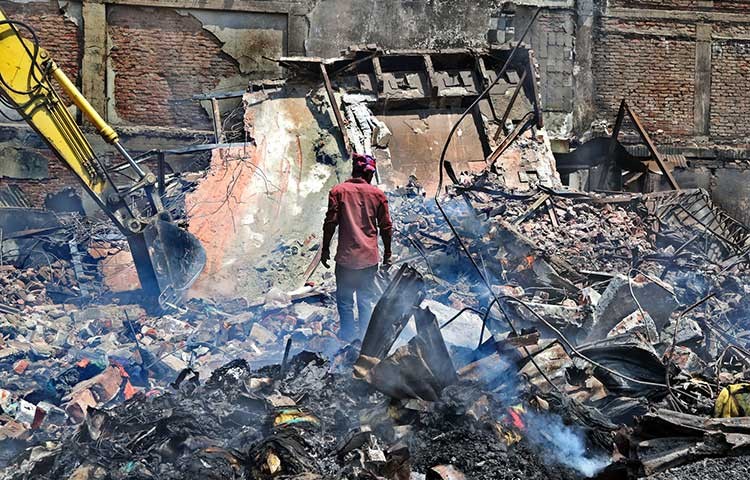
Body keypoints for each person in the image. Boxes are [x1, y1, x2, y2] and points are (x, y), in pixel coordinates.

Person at [321, 153, 392, 341]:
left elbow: (330, 223)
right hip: (368, 259)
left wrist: (325, 249)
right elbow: (386, 227)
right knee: (365, 300)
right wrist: (388, 254)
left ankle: (347, 341)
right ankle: (365, 343)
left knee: (344, 302)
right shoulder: (378, 195)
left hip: (346, 259)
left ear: (354, 170)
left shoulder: (338, 191)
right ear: (369, 174)